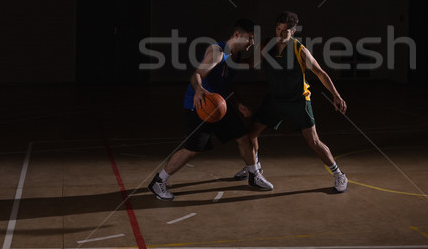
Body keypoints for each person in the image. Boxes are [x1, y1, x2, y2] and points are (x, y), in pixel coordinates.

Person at [148, 19, 273, 201]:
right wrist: (199, 89)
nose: (251, 43)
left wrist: (237, 103)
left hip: (219, 105)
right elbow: (197, 74)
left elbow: (229, 81)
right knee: (192, 149)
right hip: (200, 105)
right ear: (237, 35)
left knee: (244, 138)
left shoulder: (236, 56)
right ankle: (159, 181)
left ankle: (254, 175)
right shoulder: (217, 52)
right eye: (250, 38)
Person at [234, 11, 349, 193]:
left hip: (297, 100)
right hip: (274, 99)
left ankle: (339, 174)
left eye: (285, 31)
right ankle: (254, 169)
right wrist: (227, 59)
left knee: (314, 142)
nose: (280, 34)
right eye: (278, 29)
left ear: (293, 32)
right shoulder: (268, 44)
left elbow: (320, 73)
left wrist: (336, 95)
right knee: (250, 135)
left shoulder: (299, 50)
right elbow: (251, 63)